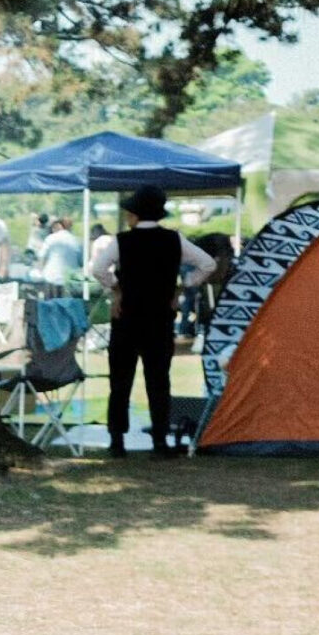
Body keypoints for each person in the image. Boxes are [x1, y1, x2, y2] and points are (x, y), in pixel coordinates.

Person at [89, 185, 216, 458]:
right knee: (158, 381)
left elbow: (98, 269)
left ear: (134, 214)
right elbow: (207, 264)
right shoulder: (174, 240)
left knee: (120, 381)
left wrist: (116, 289)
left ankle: (116, 441)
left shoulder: (121, 241)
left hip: (127, 318)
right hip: (159, 319)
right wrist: (183, 285)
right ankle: (160, 440)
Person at [39, 218, 83, 295]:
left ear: (59, 226)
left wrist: (41, 271)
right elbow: (81, 262)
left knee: (50, 304)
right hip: (69, 280)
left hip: (51, 278)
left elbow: (42, 256)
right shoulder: (76, 241)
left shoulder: (50, 238)